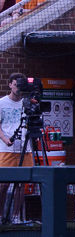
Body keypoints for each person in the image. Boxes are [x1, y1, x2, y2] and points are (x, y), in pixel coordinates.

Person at [0, 75, 31, 222]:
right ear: (10, 85)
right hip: (7, 148)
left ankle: (16, 216)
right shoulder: (2, 103)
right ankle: (0, 215)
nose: (18, 88)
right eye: (16, 84)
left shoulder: (27, 103)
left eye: (20, 85)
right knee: (3, 183)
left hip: (24, 147)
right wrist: (5, 139)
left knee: (21, 183)